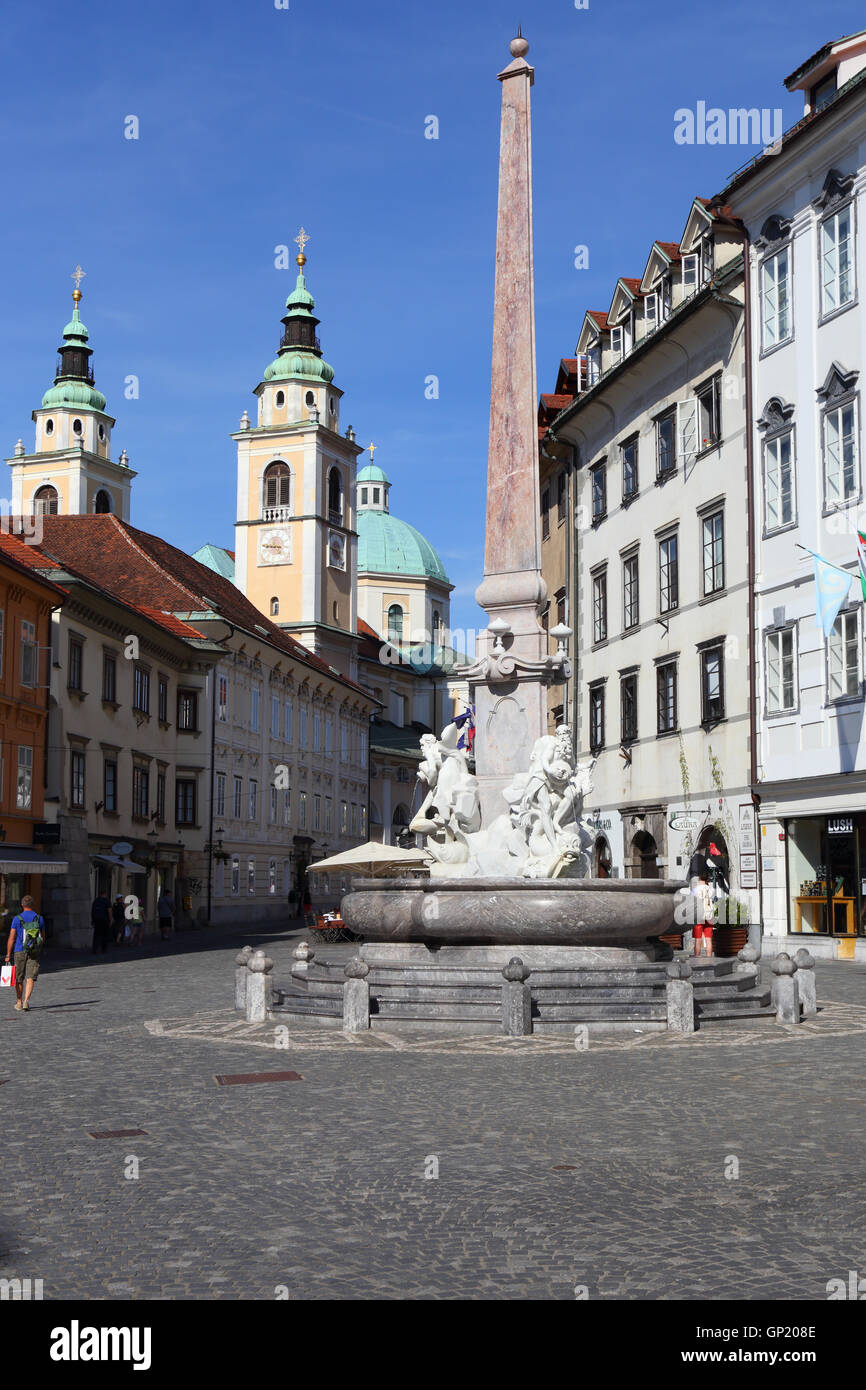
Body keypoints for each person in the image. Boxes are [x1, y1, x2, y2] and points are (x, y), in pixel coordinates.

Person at [4, 895, 45, 1012]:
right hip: (34, 951)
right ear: (33, 905)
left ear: (22, 905)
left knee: (19, 978)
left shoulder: (17, 919)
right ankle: (27, 1000)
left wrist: (8, 954)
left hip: (19, 950)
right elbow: (43, 937)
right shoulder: (39, 918)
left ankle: (19, 1002)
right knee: (30, 977)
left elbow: (11, 938)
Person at [692, 871, 715, 958]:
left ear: (699, 878)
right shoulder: (712, 890)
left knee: (698, 939)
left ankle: (697, 957)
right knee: (708, 939)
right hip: (709, 915)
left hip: (699, 915)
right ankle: (709, 957)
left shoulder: (695, 889)